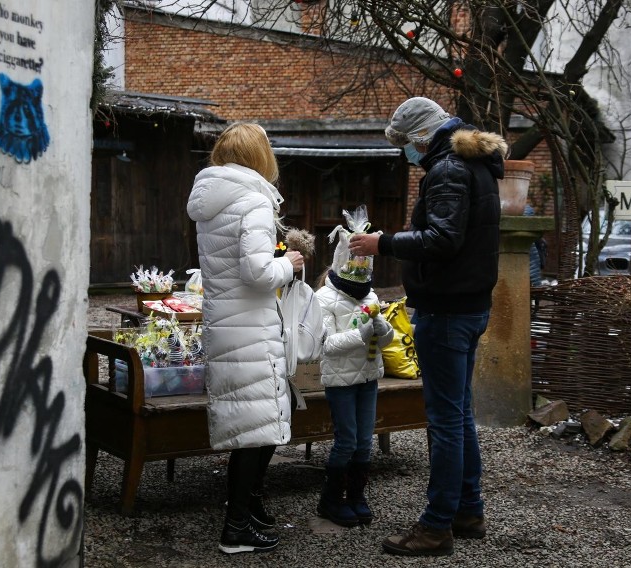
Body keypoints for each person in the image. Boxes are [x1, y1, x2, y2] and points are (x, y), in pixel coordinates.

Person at [349, 97, 507, 556]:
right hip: (469, 304)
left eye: (404, 143)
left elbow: (442, 239)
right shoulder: (475, 165)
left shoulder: (448, 169)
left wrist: (384, 243)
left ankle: (437, 526)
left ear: (421, 137)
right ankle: (468, 510)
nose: (405, 152)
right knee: (458, 413)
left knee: (443, 419)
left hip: (446, 309)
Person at [187, 122, 305, 554]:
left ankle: (249, 509)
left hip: (226, 323)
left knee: (253, 421)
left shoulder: (213, 200)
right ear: (260, 156)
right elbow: (257, 274)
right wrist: (289, 263)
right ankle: (236, 528)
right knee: (254, 430)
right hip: (250, 328)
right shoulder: (253, 200)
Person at [314, 230, 394, 528]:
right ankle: (331, 501)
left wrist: (383, 329)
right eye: (355, 261)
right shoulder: (324, 297)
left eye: (364, 262)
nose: (360, 267)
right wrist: (361, 334)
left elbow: (384, 343)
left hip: (369, 377)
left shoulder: (370, 294)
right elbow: (326, 345)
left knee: (364, 442)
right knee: (346, 441)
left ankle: (357, 497)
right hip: (341, 382)